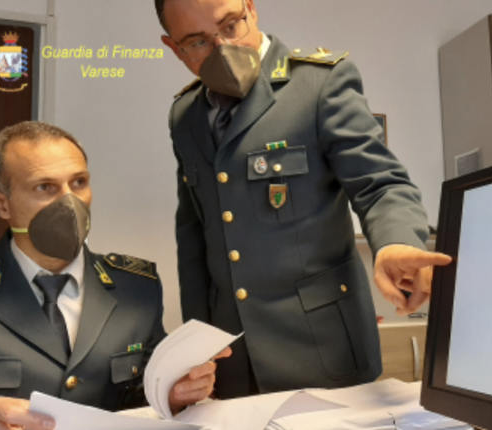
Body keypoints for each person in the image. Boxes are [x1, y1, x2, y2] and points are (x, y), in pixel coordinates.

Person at [155, 0, 452, 398]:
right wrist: (196, 345)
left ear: (250, 8)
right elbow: (193, 233)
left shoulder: (318, 84)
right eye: (197, 42)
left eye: (230, 26)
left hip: (323, 350)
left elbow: (380, 183)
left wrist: (396, 241)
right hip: (233, 360)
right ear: (174, 48)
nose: (222, 48)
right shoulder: (185, 115)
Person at [0, 122, 230, 430]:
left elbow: (140, 399)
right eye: (45, 187)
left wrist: (174, 393)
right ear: (0, 203)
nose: (69, 201)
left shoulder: (135, 287)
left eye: (78, 183)